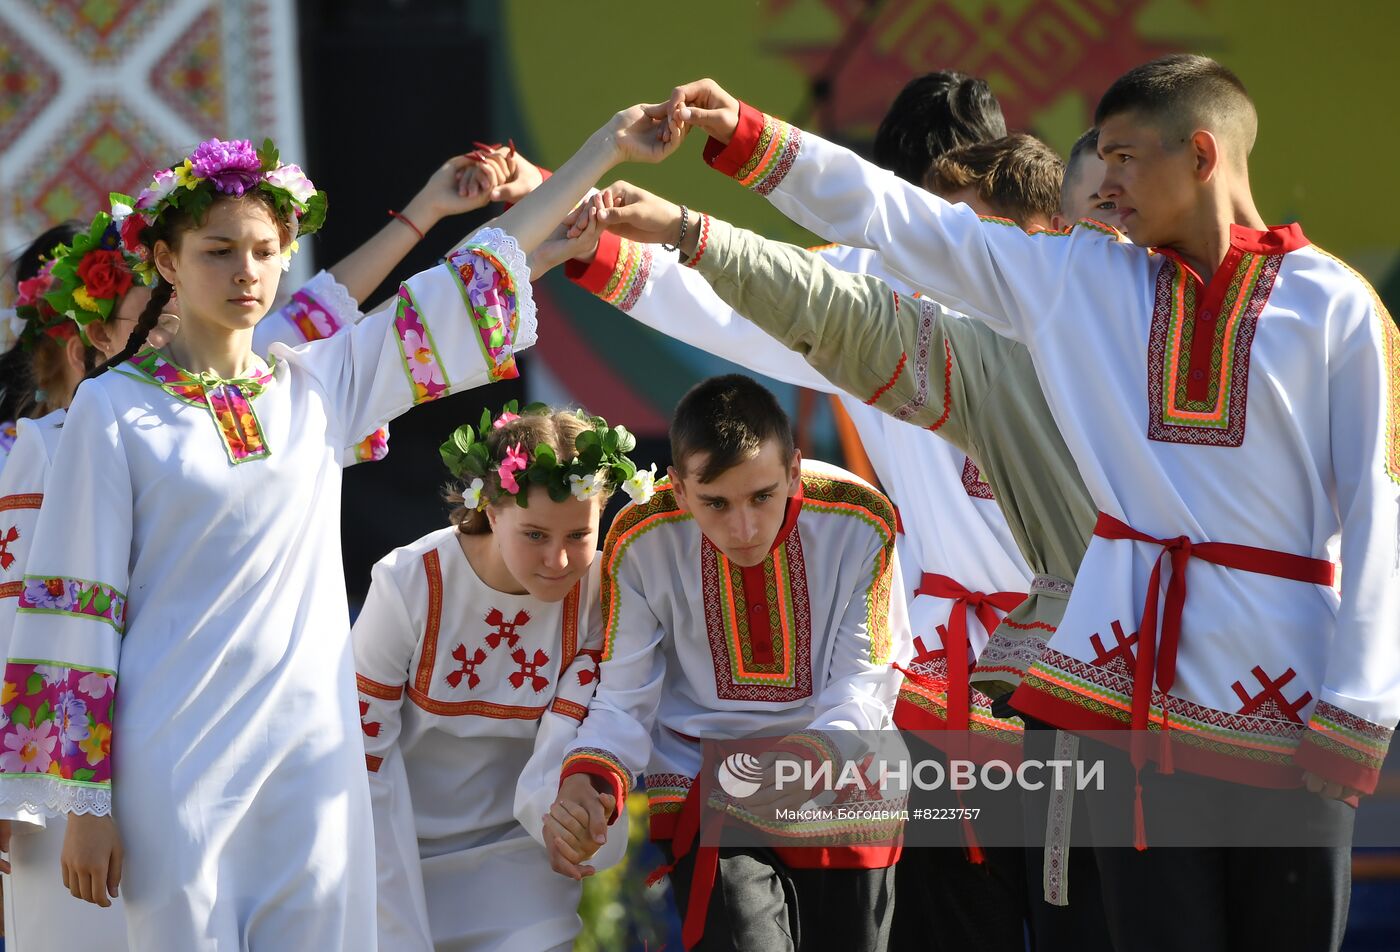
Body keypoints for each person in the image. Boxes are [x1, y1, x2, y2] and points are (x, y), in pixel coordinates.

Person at [657, 57, 1395, 950]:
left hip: (1288, 701)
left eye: (1122, 159)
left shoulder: (1334, 305)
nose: (1104, 183)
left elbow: (1376, 505)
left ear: (1201, 155)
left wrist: (1359, 706)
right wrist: (745, 139)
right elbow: (905, 221)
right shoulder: (1087, 282)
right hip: (1132, 705)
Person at [0, 99, 680, 949]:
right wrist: (86, 802)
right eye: (218, 251)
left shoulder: (315, 387)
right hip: (174, 763)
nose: (246, 271)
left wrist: (600, 150)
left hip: (310, 768)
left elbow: (466, 281)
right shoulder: (111, 411)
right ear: (167, 262)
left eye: (264, 251)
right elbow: (73, 604)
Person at [521, 75, 1027, 948]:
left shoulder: (1057, 292)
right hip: (957, 671)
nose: (945, 242)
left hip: (1073, 656)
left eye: (970, 213)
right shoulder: (871, 298)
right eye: (921, 216)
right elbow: (726, 307)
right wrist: (572, 214)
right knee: (958, 924)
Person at [543, 373, 909, 951]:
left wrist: (808, 760)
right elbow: (623, 695)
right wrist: (590, 781)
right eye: (715, 503)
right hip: (706, 781)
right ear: (678, 489)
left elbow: (864, 680)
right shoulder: (640, 540)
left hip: (841, 773)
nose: (743, 527)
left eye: (763, 496)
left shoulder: (858, 519)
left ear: (794, 470)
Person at [353, 403, 647, 951]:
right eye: (535, 534)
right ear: (490, 509)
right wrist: (390, 920)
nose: (559, 561)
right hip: (391, 853)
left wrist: (574, 813)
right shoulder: (409, 584)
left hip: (519, 860)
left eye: (579, 535)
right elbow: (359, 760)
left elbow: (583, 727)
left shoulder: (606, 594)